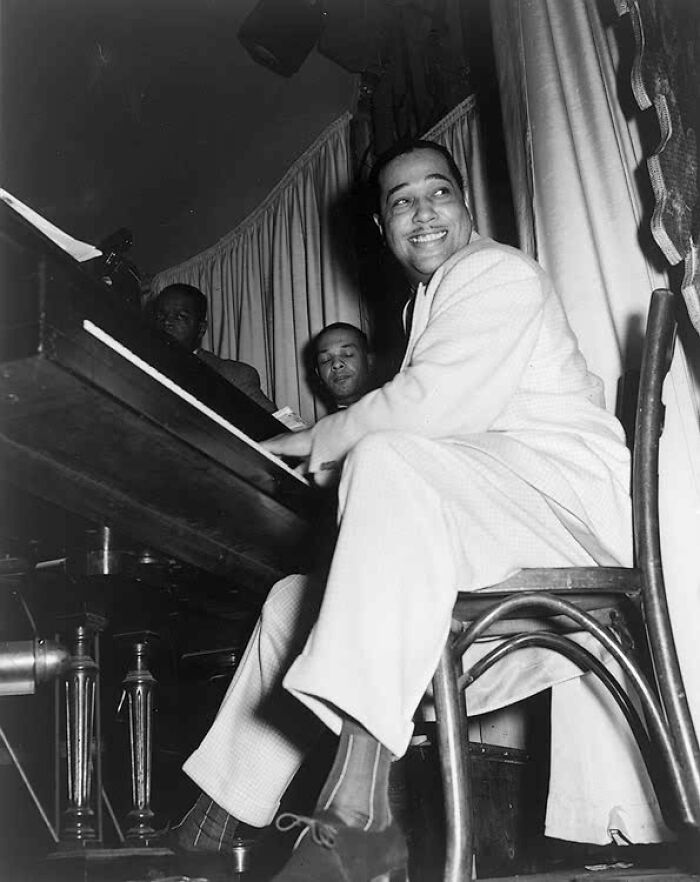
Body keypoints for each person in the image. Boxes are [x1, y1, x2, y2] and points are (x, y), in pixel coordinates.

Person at [173, 140, 667, 880]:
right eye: (401, 201)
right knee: (290, 601)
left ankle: (359, 816)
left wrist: (317, 439)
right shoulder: (427, 303)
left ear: (466, 206)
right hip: (492, 513)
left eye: (438, 193)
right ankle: (220, 816)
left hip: (557, 514)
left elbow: (434, 407)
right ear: (382, 225)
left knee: (388, 457)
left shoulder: (496, 270)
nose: (422, 211)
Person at [150, 283, 277, 412]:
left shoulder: (232, 376)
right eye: (161, 316)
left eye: (180, 316)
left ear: (201, 329)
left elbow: (280, 429)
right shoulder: (144, 369)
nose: (166, 322)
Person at [312, 322, 374, 411]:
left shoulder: (397, 410)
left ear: (370, 361)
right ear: (318, 374)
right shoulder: (324, 425)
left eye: (347, 354)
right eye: (325, 360)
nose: (336, 364)